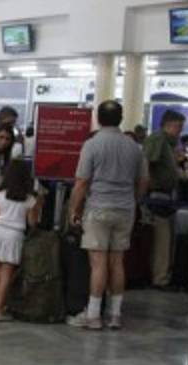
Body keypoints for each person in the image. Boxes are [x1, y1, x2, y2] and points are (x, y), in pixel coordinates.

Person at [66, 100, 148, 331]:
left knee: (98, 264)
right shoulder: (134, 147)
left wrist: (74, 210)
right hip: (125, 209)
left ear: (98, 118)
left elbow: (82, 182)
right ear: (121, 118)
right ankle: (115, 315)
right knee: (117, 262)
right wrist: (134, 200)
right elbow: (143, 181)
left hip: (98, 209)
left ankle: (93, 315)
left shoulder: (92, 145)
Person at [0, 160, 43, 322]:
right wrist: (39, 204)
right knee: (6, 273)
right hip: (15, 235)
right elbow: (32, 223)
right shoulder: (30, 200)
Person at [143, 109, 185, 291]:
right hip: (158, 195)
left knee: (166, 240)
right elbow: (147, 162)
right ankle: (160, 278)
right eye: (179, 127)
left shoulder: (168, 143)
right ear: (169, 125)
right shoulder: (158, 140)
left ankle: (163, 275)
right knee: (162, 240)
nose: (180, 131)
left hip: (166, 195)